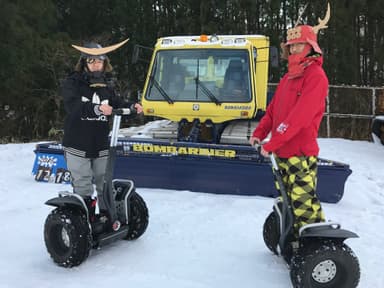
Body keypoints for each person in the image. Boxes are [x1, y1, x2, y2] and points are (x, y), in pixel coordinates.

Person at [249, 4, 331, 236]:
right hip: (281, 153)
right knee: (286, 200)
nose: (294, 48)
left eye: (299, 44)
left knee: (304, 204)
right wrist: (259, 133)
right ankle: (293, 239)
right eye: (291, 45)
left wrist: (272, 143)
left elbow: (299, 118)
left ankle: (317, 245)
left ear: (311, 47)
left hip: (300, 153)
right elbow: (274, 111)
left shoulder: (316, 77)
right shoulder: (287, 78)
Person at [61, 38, 143, 217]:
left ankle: (107, 219)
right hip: (77, 145)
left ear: (105, 62)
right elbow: (72, 106)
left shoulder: (106, 85)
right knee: (83, 186)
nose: (96, 64)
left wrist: (132, 107)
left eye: (100, 60)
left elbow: (116, 102)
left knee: (104, 184)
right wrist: (97, 108)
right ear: (84, 62)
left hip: (100, 145)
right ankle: (84, 224)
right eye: (92, 60)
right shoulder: (72, 83)